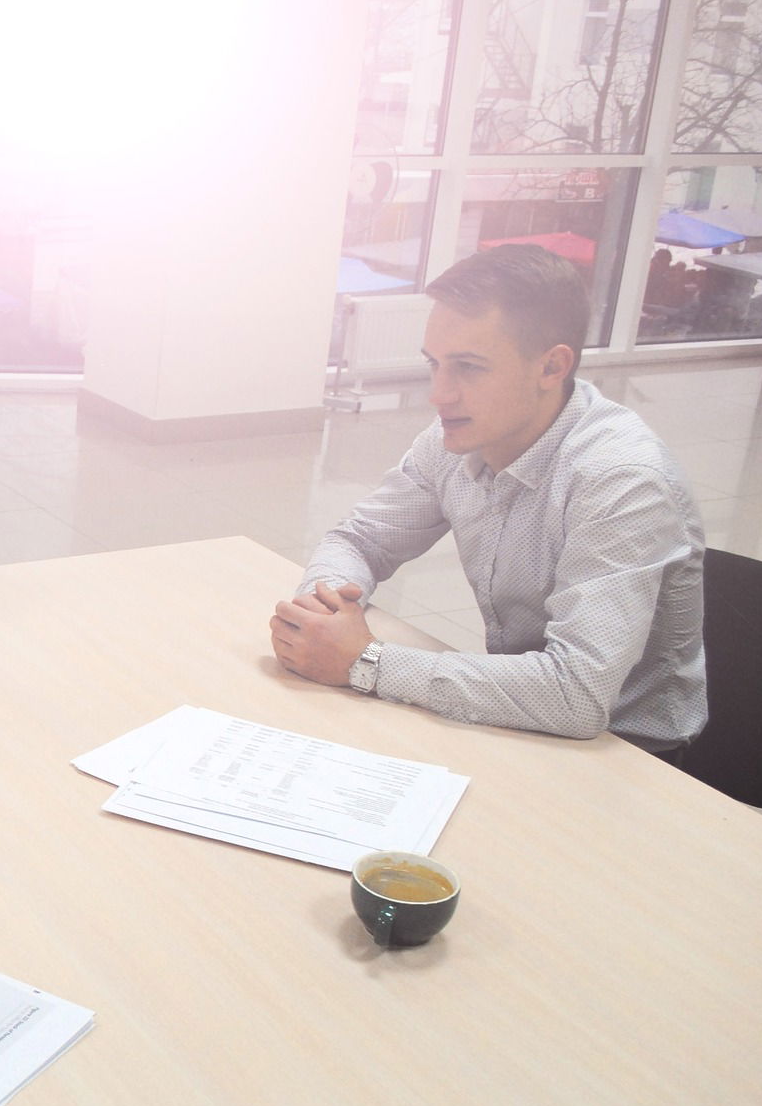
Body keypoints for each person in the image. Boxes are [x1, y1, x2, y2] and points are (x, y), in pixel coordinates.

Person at [270, 244, 706, 758]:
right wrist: (321, 617)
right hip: (516, 715)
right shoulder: (455, 438)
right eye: (435, 365)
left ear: (551, 367)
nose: (439, 394)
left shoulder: (621, 481)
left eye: (469, 368)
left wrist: (365, 660)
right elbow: (360, 539)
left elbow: (577, 695)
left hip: (630, 754)